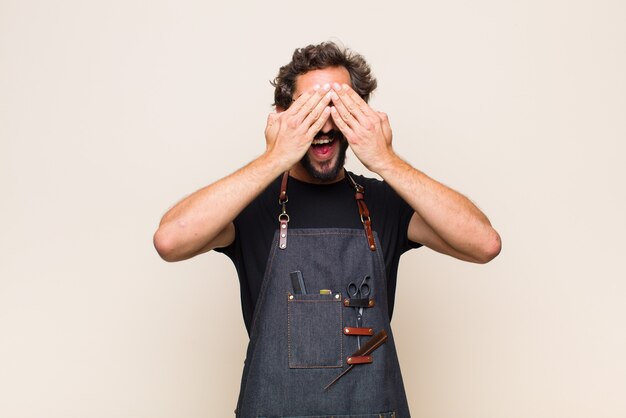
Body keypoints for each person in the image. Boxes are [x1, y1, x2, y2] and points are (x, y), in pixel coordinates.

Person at [154, 41, 501, 417]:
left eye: (339, 106)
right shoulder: (251, 205)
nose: (325, 122)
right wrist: (274, 159)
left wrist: (386, 160)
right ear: (283, 115)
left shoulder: (384, 202)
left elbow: (484, 244)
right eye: (311, 108)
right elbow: (170, 240)